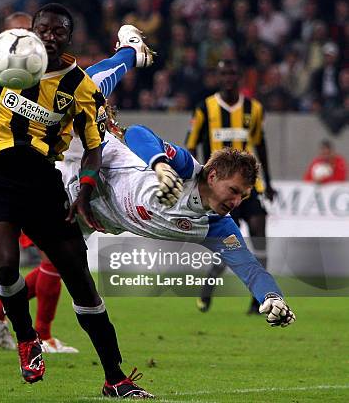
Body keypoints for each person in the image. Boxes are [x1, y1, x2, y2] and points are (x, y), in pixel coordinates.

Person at [0, 3, 155, 399]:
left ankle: (115, 377)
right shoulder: (15, 51)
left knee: (82, 284)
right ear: (34, 30)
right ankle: (27, 339)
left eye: (58, 31)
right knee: (4, 265)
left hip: (43, 183)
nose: (49, 37)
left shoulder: (79, 86)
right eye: (44, 29)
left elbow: (92, 149)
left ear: (69, 37)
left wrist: (84, 194)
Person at [58, 117, 296, 329]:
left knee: (57, 270)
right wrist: (160, 164)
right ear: (212, 176)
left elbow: (251, 268)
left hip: (94, 219)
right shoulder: (185, 169)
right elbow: (135, 132)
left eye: (241, 196)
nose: (235, 202)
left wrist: (272, 297)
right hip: (78, 177)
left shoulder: (219, 227)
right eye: (233, 190)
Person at [0, 11, 78, 354]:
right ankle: (37, 334)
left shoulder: (58, 77)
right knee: (49, 260)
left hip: (41, 178)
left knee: (54, 260)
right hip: (3, 185)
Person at [185, 59, 276, 314]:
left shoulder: (253, 108)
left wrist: (268, 183)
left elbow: (261, 145)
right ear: (218, 77)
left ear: (239, 77)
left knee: (260, 241)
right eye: (224, 74)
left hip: (251, 188)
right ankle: (208, 288)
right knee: (228, 245)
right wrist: (198, 181)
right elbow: (190, 145)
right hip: (221, 192)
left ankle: (259, 300)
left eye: (233, 74)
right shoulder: (205, 108)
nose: (228, 78)